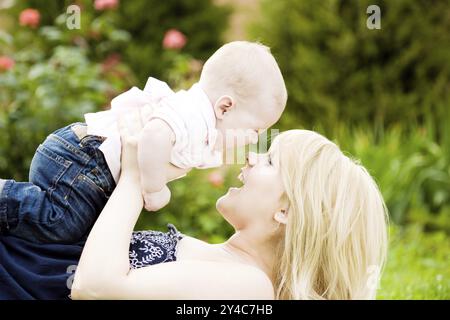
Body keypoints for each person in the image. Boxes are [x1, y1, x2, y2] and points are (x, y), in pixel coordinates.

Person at [71, 114, 388, 300]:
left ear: (287, 212)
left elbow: (93, 287)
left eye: (270, 160)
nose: (251, 156)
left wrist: (134, 179)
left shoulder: (252, 288)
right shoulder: (227, 266)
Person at [0, 41, 287, 244]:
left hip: (85, 165)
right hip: (83, 160)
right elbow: (154, 135)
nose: (253, 138)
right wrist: (154, 187)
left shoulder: (202, 123)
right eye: (255, 128)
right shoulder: (193, 115)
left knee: (77, 235)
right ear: (225, 107)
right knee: (61, 223)